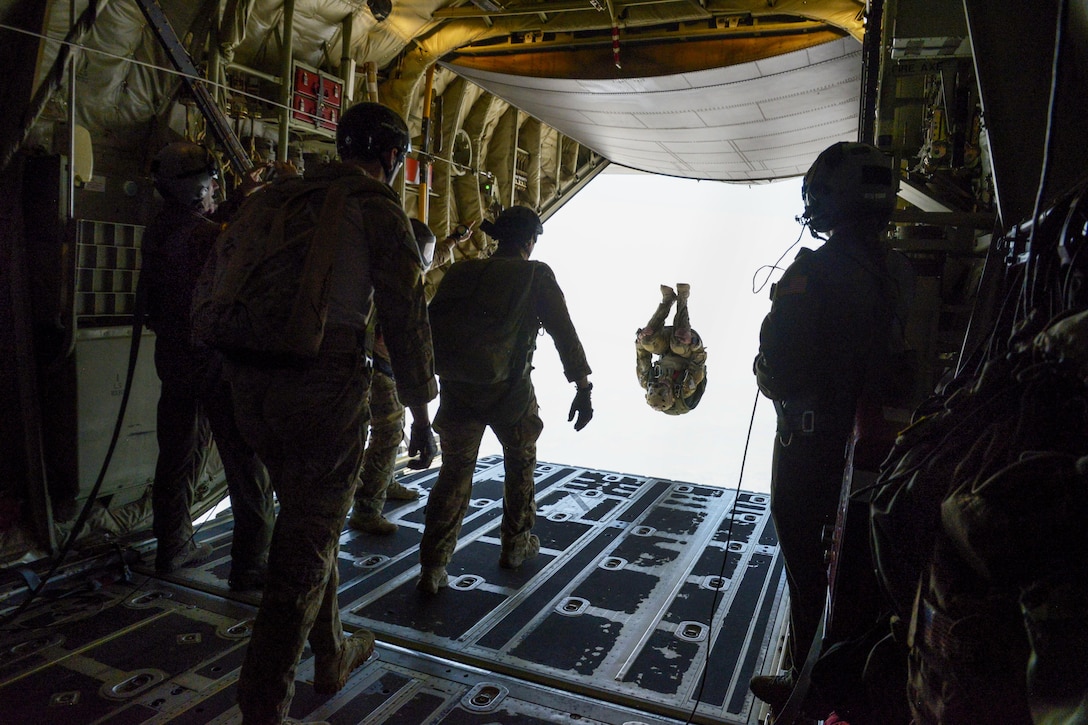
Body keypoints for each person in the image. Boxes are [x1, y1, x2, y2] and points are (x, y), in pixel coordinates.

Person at [226, 102, 438, 724]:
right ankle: (263, 703)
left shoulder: (279, 197)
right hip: (322, 387)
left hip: (249, 383)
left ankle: (332, 651)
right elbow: (404, 316)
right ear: (393, 157)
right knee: (304, 549)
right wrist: (421, 414)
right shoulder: (377, 207)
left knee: (304, 527)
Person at [749, 141, 903, 712]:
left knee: (807, 561)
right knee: (855, 561)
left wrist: (762, 369)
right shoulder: (899, 270)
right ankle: (841, 674)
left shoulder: (813, 270)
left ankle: (807, 684)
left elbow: (780, 371)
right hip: (867, 443)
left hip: (807, 441)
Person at [417, 205, 593, 594]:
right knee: (519, 461)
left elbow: (429, 325)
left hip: (457, 390)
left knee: (454, 473)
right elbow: (564, 333)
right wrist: (582, 387)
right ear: (530, 241)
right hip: (509, 393)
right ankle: (515, 545)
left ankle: (432, 566)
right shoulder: (535, 274)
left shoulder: (461, 271)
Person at [140, 141, 275, 591]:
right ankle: (251, 563)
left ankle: (173, 546)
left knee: (177, 454)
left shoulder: (161, 228)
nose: (217, 189)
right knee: (245, 459)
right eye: (212, 184)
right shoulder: (202, 237)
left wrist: (239, 198)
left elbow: (209, 226)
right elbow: (233, 244)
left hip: (175, 359)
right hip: (214, 360)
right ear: (196, 188)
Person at [348, 218, 472, 535]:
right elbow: (406, 345)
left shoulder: (388, 264)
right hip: (374, 364)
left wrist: (454, 241)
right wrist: (423, 417)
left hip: (383, 364)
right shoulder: (393, 287)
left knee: (391, 427)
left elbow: (432, 258)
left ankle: (384, 481)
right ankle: (366, 508)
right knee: (388, 432)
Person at [635, 283, 707, 415]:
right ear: (671, 393)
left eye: (656, 384)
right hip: (687, 347)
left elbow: (642, 356)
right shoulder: (686, 388)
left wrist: (641, 339)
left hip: (665, 347)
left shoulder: (646, 380)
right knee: (678, 346)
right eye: (664, 388)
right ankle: (682, 298)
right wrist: (693, 342)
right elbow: (699, 361)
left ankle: (667, 301)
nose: (662, 381)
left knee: (648, 341)